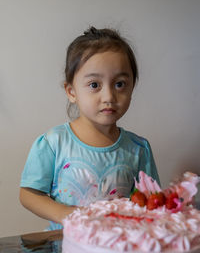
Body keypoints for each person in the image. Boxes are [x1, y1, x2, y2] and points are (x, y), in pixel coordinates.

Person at [20, 26, 160, 231]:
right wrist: (67, 214)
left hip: (118, 250)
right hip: (65, 250)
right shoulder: (53, 143)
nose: (109, 97)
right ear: (72, 92)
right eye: (94, 85)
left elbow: (151, 202)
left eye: (120, 84)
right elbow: (28, 194)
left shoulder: (138, 149)